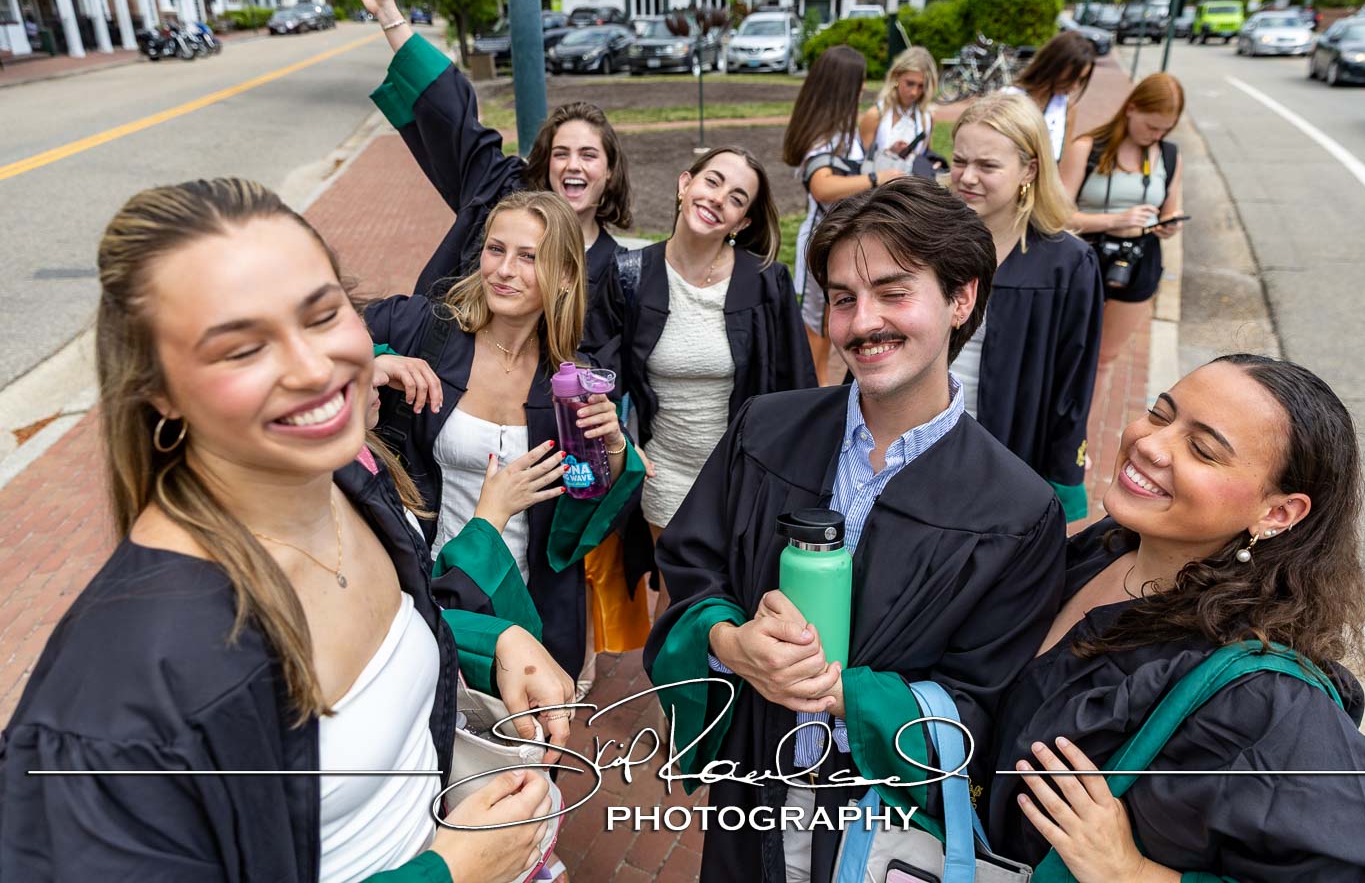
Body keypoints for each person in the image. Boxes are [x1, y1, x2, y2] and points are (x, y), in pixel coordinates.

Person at [0, 178, 574, 881]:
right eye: (242, 348)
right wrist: (448, 874)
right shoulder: (114, 707)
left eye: (323, 313)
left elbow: (393, 635)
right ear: (156, 388)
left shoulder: (348, 486)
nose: (312, 368)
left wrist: (492, 643)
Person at [644, 178, 1067, 882]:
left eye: (894, 292)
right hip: (751, 785)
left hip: (883, 825)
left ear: (962, 298)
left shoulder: (1016, 513)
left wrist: (841, 696)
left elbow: (983, 704)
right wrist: (728, 642)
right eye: (843, 298)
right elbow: (693, 566)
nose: (862, 323)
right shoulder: (764, 430)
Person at [986, 355, 1365, 882]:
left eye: (1201, 449)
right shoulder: (1104, 547)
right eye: (1159, 414)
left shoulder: (1266, 702)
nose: (1150, 445)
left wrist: (1130, 872)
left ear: (1277, 514)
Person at [365, 191, 644, 680]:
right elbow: (311, 359)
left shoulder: (572, 382)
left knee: (527, 748)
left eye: (529, 257)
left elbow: (586, 505)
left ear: (563, 277)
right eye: (496, 250)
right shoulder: (421, 331)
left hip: (528, 600)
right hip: (429, 586)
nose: (504, 270)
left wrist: (614, 448)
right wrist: (375, 364)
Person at [583, 146, 815, 594]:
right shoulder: (630, 274)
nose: (718, 198)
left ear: (742, 222)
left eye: (736, 197)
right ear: (685, 184)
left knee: (742, 596)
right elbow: (598, 371)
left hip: (743, 477)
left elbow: (796, 385)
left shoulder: (766, 283)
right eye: (712, 181)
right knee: (677, 603)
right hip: (666, 470)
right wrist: (622, 443)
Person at [343, 0, 632, 302]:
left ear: (610, 171)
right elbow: (451, 113)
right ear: (545, 162)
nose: (573, 165)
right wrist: (389, 13)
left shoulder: (618, 271)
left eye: (588, 154)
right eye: (561, 153)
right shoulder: (501, 191)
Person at [948, 93, 1104, 523]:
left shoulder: (1065, 263)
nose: (967, 177)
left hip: (1007, 449)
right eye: (960, 161)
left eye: (988, 166)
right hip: (917, 440)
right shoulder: (929, 242)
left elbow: (1073, 378)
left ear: (1029, 169)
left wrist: (1063, 473)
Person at [782, 44, 907, 380]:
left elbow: (847, 175)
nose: (865, 87)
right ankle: (815, 388)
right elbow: (823, 186)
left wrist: (880, 157)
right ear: (845, 85)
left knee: (831, 316)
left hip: (841, 238)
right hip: (821, 240)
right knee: (817, 319)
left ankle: (822, 386)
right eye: (861, 81)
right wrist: (877, 176)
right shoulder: (822, 135)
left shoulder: (845, 130)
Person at [1059, 72, 1185, 374]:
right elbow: (1056, 216)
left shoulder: (1168, 155)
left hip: (1139, 259)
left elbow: (1169, 210)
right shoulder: (1087, 148)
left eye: (1164, 130)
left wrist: (1170, 225)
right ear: (1131, 108)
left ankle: (1087, 423)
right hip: (1085, 256)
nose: (1156, 136)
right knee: (1065, 352)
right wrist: (1114, 221)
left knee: (1104, 358)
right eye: (1151, 126)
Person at [999, 29, 1096, 162]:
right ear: (1054, 65)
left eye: (1081, 80)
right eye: (1072, 77)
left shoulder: (1068, 109)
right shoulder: (1007, 98)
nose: (1075, 86)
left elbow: (1062, 160)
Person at [858, 46, 939, 175]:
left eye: (921, 86)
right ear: (896, 76)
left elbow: (925, 156)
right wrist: (888, 153)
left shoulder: (927, 118)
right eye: (910, 83)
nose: (914, 92)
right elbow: (861, 165)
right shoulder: (876, 115)